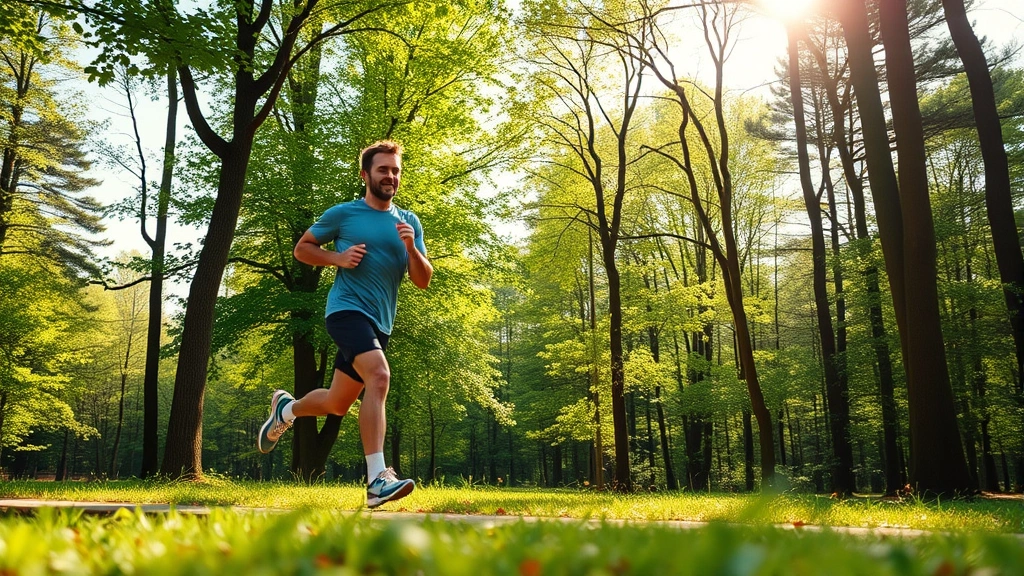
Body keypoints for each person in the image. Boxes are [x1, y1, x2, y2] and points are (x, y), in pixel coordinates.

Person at [257, 140, 432, 509]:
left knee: (336, 404)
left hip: (380, 322)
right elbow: (302, 248)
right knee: (380, 377)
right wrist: (337, 257)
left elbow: (422, 279)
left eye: (395, 170)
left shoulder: (409, 222)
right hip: (346, 311)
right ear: (365, 174)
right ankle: (377, 480)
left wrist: (413, 248)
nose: (391, 176)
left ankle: (285, 410)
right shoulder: (345, 214)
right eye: (383, 169)